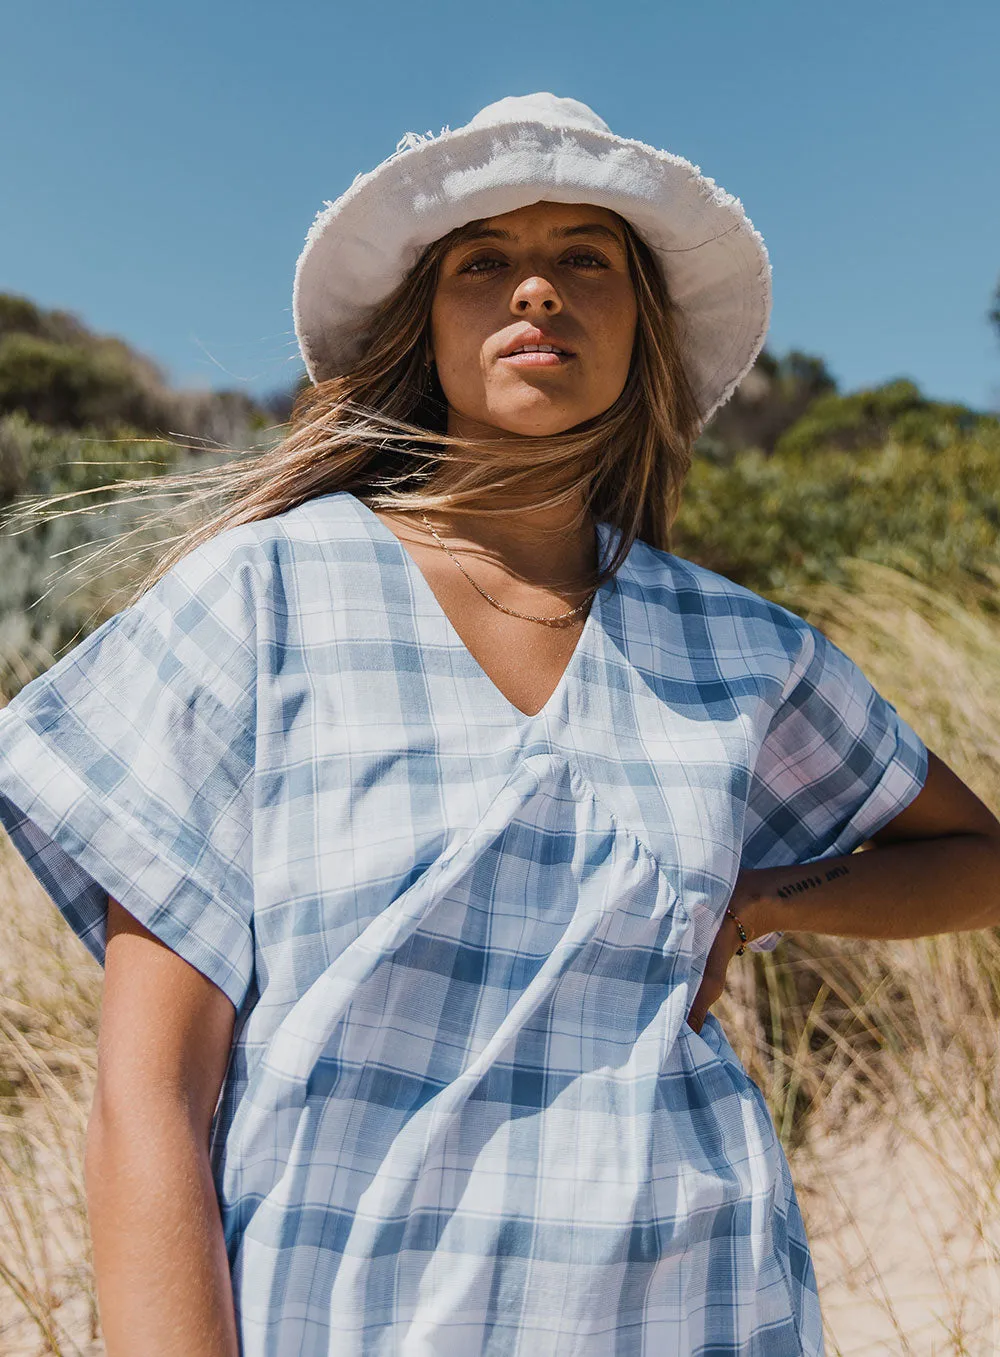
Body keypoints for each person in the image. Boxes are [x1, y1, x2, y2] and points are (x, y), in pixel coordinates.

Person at [0, 92, 998, 1357]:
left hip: (705, 1310)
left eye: (585, 257)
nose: (537, 289)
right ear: (429, 327)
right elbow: (148, 1100)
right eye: (486, 261)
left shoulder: (740, 650)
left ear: (642, 327)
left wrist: (761, 903)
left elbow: (976, 860)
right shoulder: (261, 599)